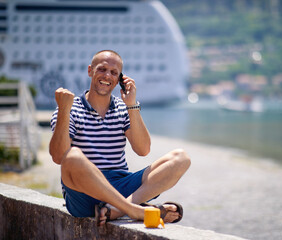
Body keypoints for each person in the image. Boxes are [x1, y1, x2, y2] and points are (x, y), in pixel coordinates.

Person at [49, 49, 191, 226]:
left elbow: (143, 149)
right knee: (73, 157)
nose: (107, 75)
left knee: (181, 158)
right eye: (102, 69)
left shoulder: (123, 108)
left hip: (120, 184)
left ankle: (117, 210)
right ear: (90, 71)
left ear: (119, 79)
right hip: (83, 192)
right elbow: (58, 157)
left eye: (114, 72)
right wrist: (63, 110)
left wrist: (131, 105)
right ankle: (134, 209)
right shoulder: (69, 108)